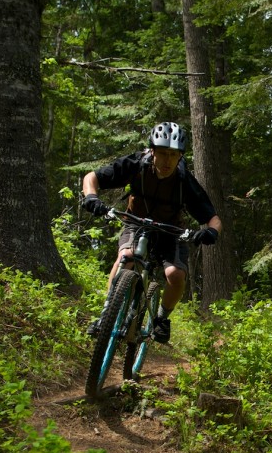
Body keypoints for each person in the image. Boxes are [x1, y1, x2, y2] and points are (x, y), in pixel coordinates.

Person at [80, 121, 221, 344]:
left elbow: (213, 218)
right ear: (152, 151)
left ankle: (162, 318)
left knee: (175, 274)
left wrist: (211, 232)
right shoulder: (137, 164)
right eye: (163, 153)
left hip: (170, 232)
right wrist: (91, 197)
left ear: (180, 157)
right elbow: (92, 178)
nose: (168, 161)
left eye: (174, 156)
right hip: (135, 223)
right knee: (126, 258)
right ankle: (106, 315)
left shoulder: (185, 180)